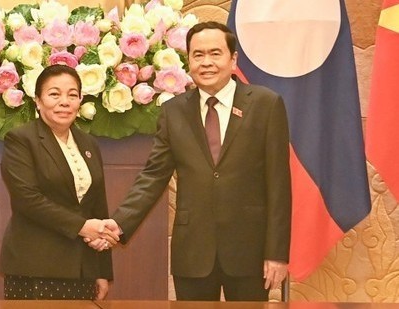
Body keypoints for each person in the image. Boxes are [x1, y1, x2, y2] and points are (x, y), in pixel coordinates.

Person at [95, 21, 292, 301]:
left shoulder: (265, 104)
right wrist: (120, 222)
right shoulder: (173, 111)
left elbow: (279, 185)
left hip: (249, 251)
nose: (206, 62)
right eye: (198, 55)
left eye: (215, 53)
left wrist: (276, 253)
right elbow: (153, 177)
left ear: (233, 59)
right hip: (193, 252)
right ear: (189, 60)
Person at [0, 64, 118, 300]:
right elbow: (28, 200)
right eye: (54, 94)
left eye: (72, 95)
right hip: (36, 266)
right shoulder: (21, 139)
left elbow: (98, 208)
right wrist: (83, 227)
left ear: (80, 100)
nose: (64, 101)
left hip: (82, 270)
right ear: (38, 100)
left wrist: (102, 271)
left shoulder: (89, 144)